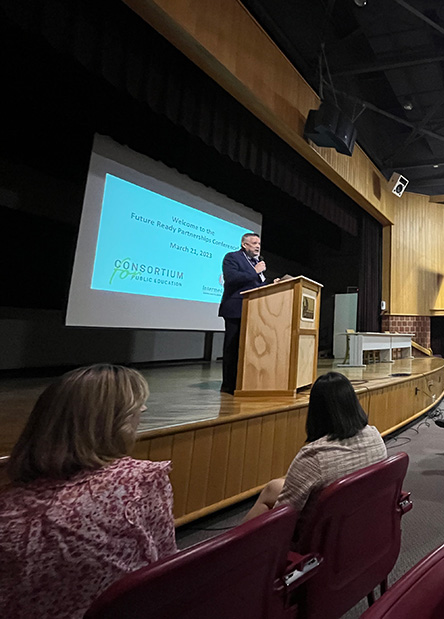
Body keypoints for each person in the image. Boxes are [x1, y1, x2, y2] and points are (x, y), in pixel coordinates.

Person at [0, 365, 176, 619]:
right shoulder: (140, 482)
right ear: (111, 421)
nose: (143, 411)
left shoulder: (7, 506)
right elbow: (168, 572)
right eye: (134, 408)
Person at [242, 372, 386, 523]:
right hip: (361, 516)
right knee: (273, 488)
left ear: (316, 411)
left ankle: (235, 543)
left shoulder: (314, 457)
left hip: (322, 530)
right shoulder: (375, 436)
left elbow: (283, 513)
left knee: (271, 497)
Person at [219, 232, 271, 394]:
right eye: (254, 243)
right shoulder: (232, 257)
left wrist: (271, 284)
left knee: (250, 349)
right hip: (235, 309)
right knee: (232, 348)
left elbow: (255, 285)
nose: (257, 246)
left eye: (259, 244)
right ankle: (228, 384)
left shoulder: (256, 262)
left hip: (254, 310)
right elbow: (231, 278)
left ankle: (245, 381)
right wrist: (255, 271)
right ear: (244, 244)